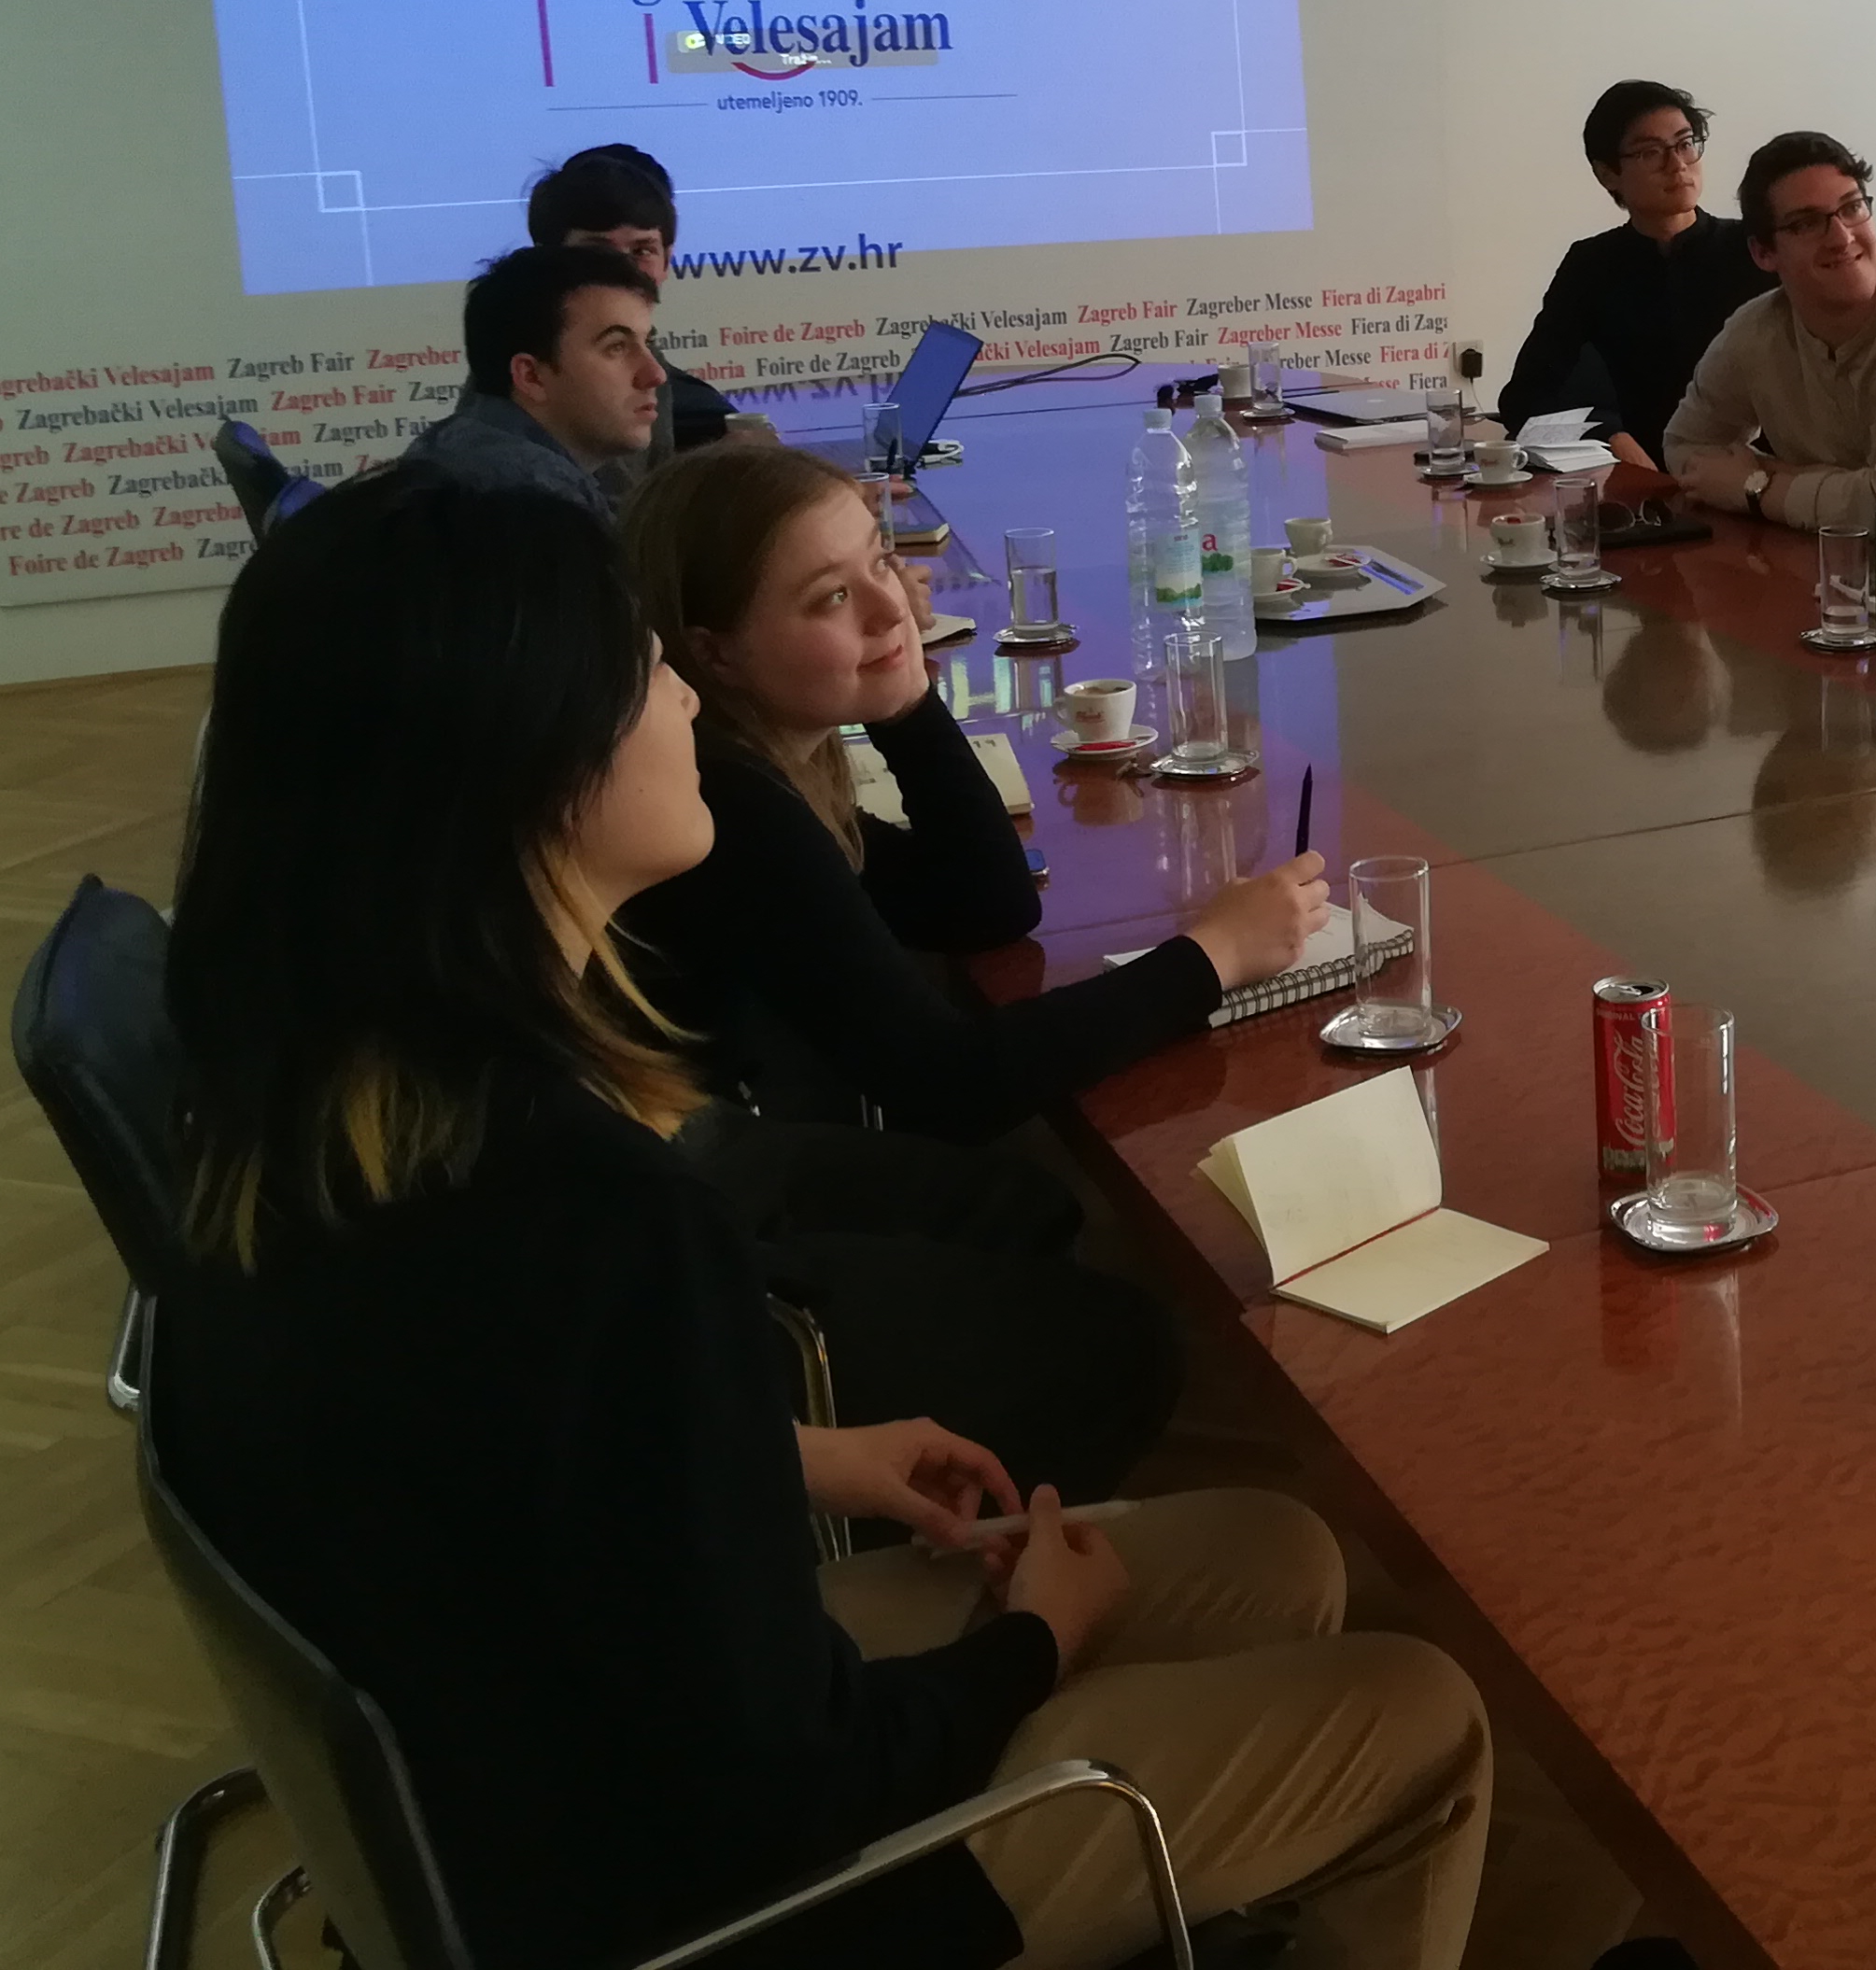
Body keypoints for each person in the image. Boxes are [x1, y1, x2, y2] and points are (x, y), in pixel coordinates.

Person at [152, 473, 1490, 1970]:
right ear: (527, 768)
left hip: (545, 1790)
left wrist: (772, 1445)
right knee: (1425, 1711)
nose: (678, 692)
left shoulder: (329, 1112)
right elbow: (801, 1792)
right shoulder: (590, 1214)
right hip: (751, 1908)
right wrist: (1034, 1644)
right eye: (640, 670)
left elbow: (506, 1452)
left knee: (1280, 1550)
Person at [616, 442, 1329, 1492]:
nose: (889, 607)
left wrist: (908, 703)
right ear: (713, 655)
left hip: (730, 1155)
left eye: (880, 563)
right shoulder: (733, 808)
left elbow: (984, 904)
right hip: (699, 1212)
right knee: (1119, 1332)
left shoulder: (774, 764)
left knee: (1033, 1207)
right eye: (830, 597)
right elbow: (950, 1083)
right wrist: (1210, 957)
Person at [1663, 131, 1876, 528]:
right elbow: (1685, 445)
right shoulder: (1755, 330)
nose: (1842, 237)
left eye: (1852, 207)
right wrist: (1846, 489)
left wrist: (1757, 486)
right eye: (1806, 223)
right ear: (1763, 253)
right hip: (1820, 557)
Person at [1495, 83, 1776, 469]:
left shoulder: (1756, 250)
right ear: (1608, 174)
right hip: (1636, 482)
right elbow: (1525, 396)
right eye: (1650, 152)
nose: (1677, 165)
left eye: (1685, 144)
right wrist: (1608, 435)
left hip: (1752, 473)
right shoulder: (1591, 264)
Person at [528, 141, 747, 481]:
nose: (622, 269)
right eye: (596, 250)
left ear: (667, 260)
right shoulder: (544, 355)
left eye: (642, 250)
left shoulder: (650, 361)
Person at [397, 242, 663, 519]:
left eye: (648, 342)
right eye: (616, 347)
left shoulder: (448, 452)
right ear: (531, 377)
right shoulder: (533, 502)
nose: (656, 375)